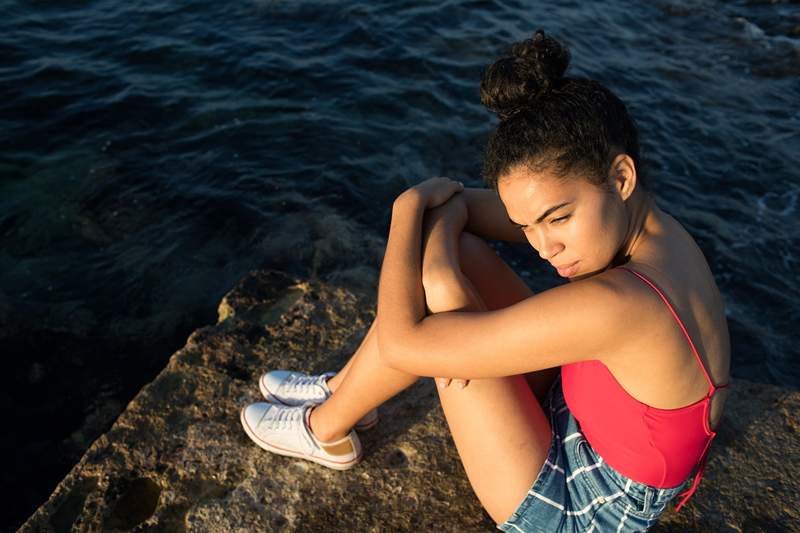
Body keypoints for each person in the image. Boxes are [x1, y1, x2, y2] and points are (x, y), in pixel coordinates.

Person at [240, 29, 731, 532]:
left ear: (620, 178)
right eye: (526, 227)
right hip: (592, 413)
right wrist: (444, 246)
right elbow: (461, 209)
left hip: (582, 505)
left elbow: (405, 342)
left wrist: (405, 211)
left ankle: (327, 430)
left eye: (558, 218)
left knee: (438, 295)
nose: (545, 248)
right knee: (459, 255)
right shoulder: (655, 229)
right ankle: (345, 391)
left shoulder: (620, 304)